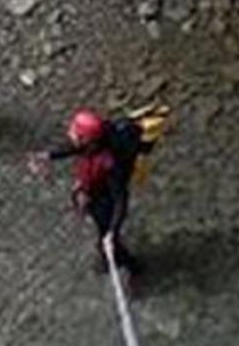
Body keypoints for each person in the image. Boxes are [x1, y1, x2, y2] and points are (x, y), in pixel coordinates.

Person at [30, 108, 166, 275]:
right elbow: (75, 148)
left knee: (108, 240)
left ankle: (133, 267)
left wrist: (112, 231)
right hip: (93, 194)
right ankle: (109, 256)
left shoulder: (109, 165)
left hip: (104, 202)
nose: (71, 134)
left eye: (76, 133)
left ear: (87, 139)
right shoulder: (95, 143)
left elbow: (120, 200)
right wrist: (49, 155)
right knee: (103, 237)